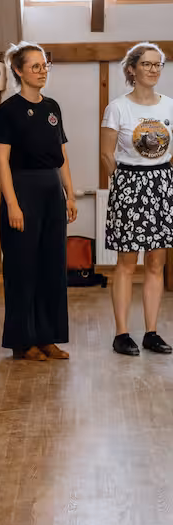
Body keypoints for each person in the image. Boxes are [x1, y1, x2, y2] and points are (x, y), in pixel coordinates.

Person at [0, 42, 75, 361]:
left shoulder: (52, 107)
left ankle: (47, 337)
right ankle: (22, 341)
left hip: (51, 190)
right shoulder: (7, 111)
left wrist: (69, 193)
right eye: (35, 66)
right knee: (22, 268)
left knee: (52, 266)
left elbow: (62, 154)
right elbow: (1, 162)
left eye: (45, 66)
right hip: (22, 189)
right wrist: (12, 204)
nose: (42, 72)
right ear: (18, 70)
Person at [101, 42, 173, 356]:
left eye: (158, 64)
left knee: (157, 262)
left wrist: (162, 179)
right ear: (132, 69)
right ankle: (122, 333)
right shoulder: (118, 107)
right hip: (129, 183)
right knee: (127, 263)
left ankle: (151, 333)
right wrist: (126, 183)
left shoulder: (169, 106)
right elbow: (107, 154)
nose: (153, 69)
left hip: (162, 184)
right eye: (147, 64)